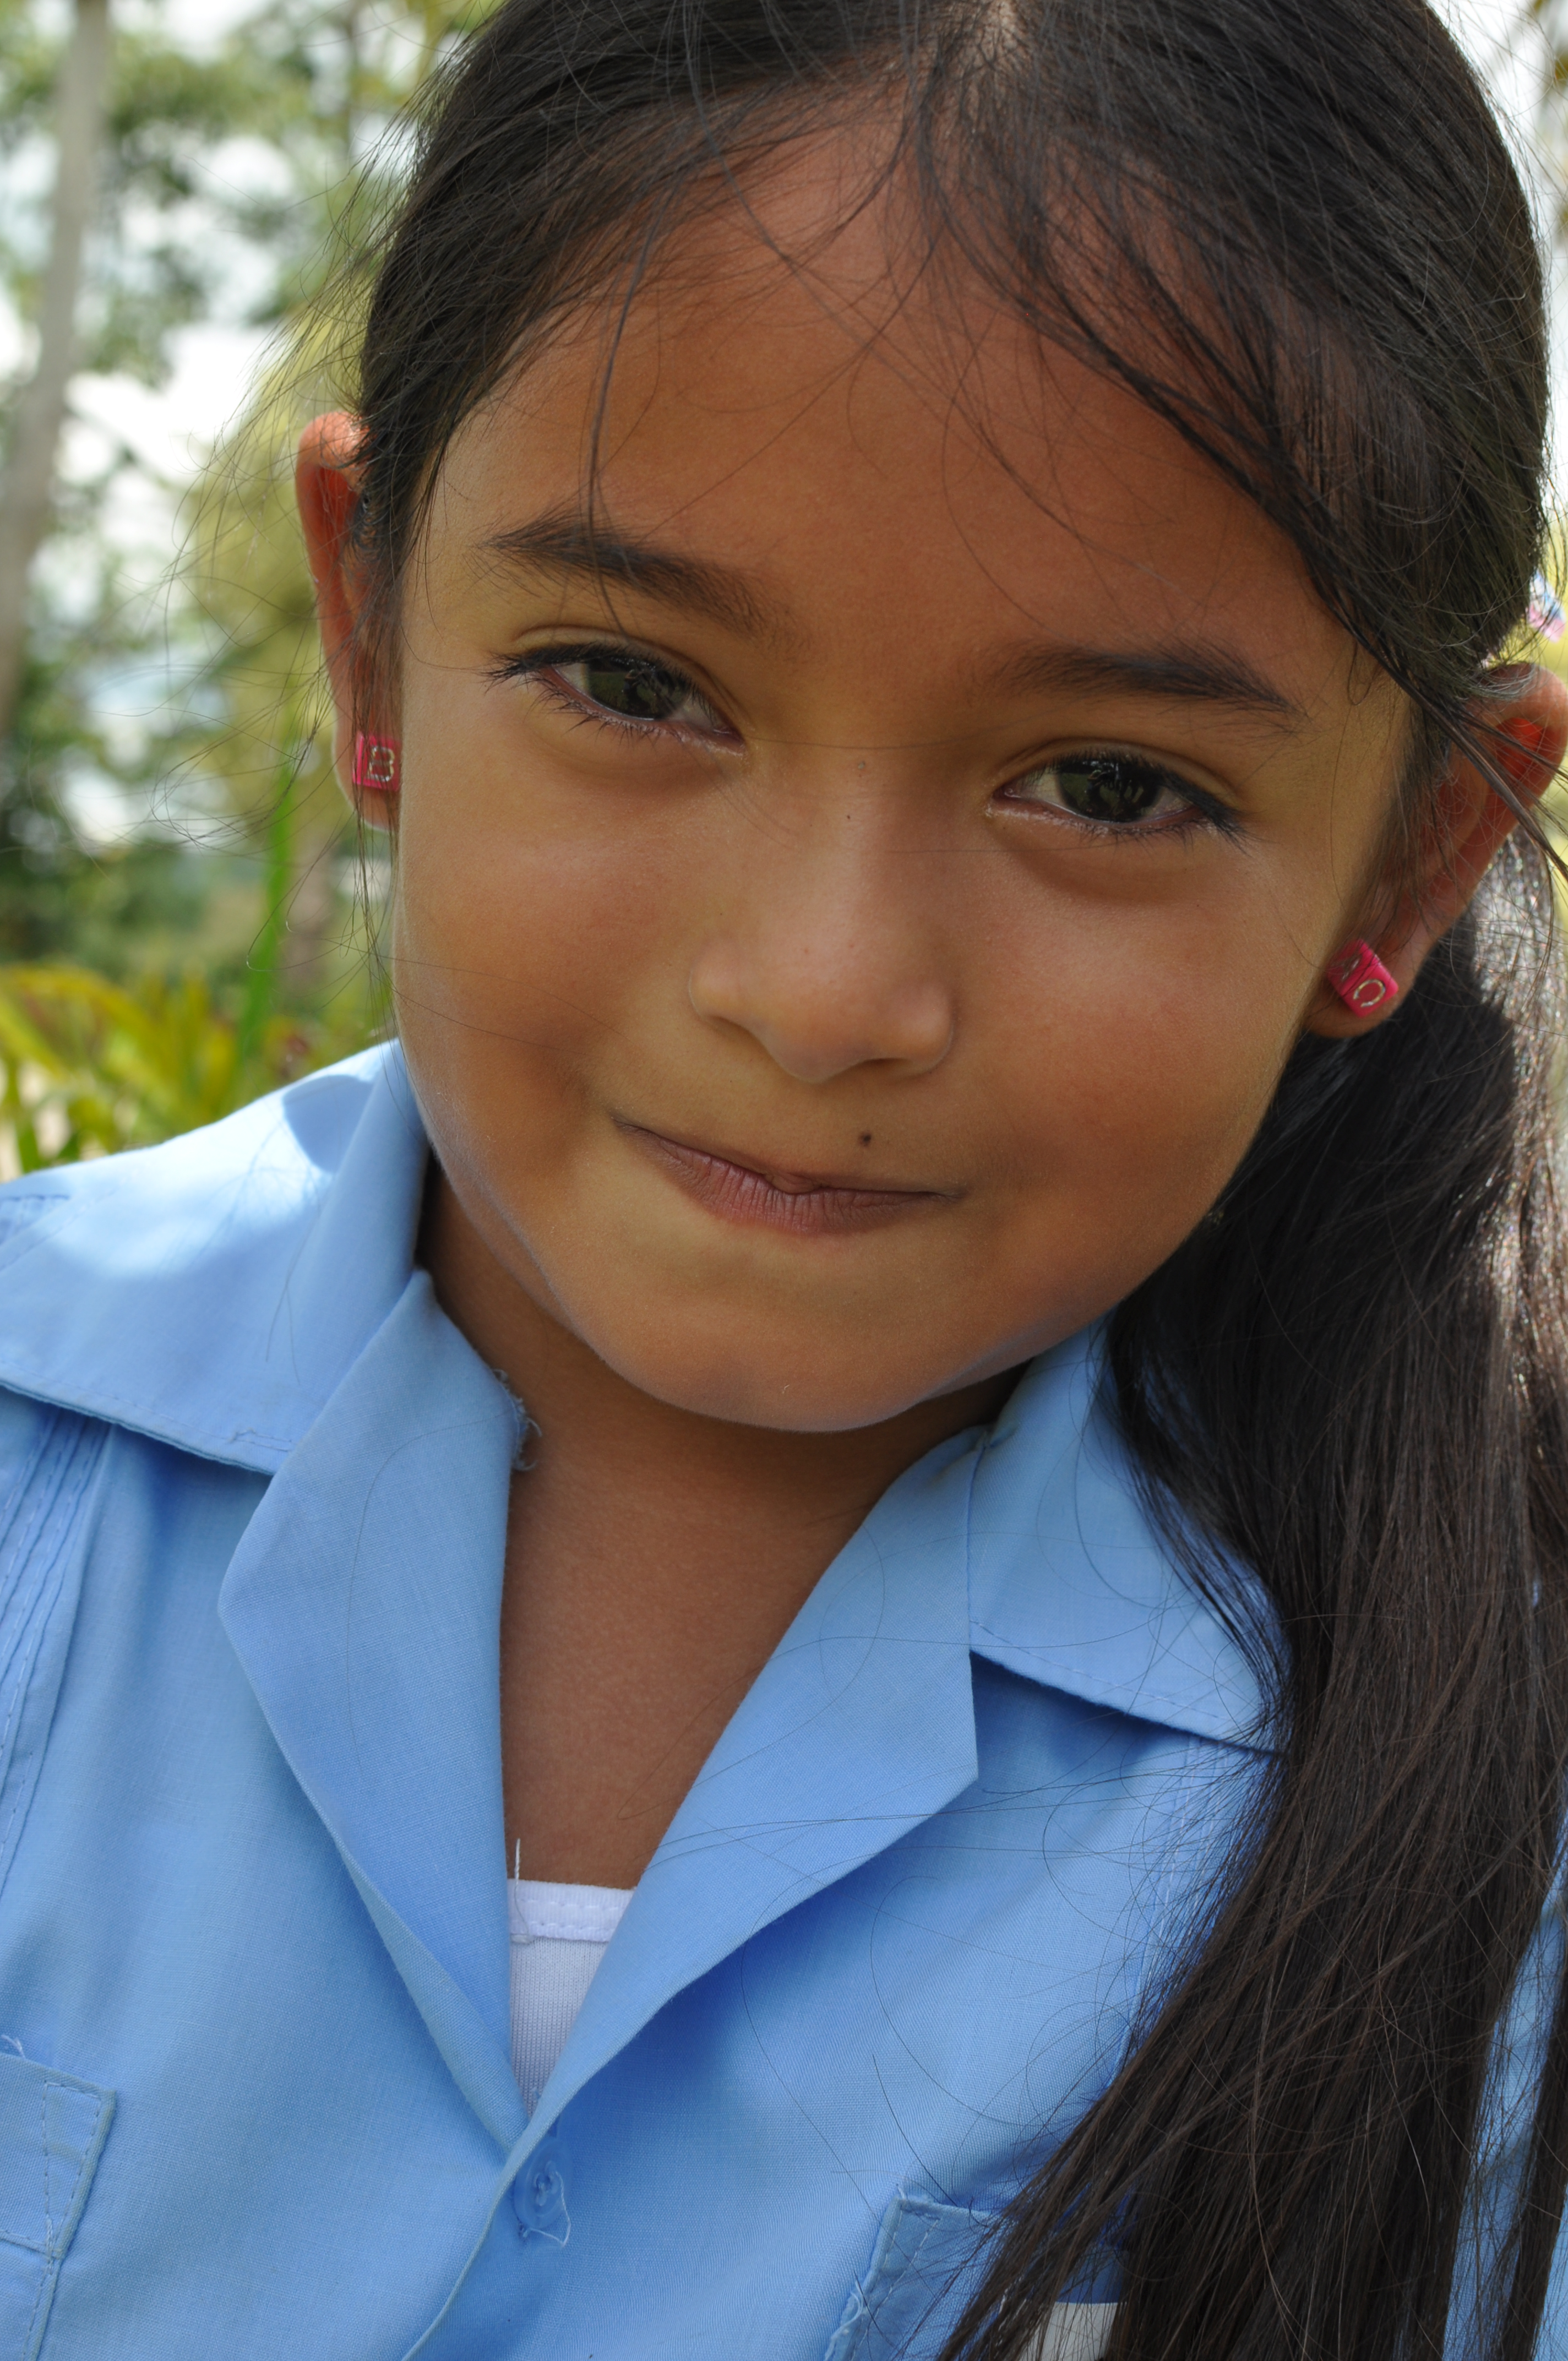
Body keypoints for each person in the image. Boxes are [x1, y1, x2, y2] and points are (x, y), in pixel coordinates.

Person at [0, 0, 1565, 2354]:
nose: (825, 995)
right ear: (371, 630)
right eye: (635, 686)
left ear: (1412, 853)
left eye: (1109, 788)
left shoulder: (1495, 1823)